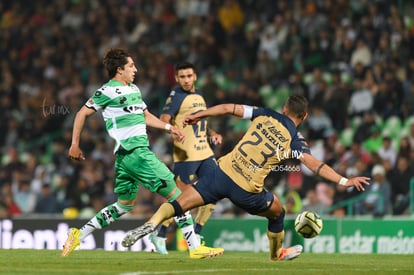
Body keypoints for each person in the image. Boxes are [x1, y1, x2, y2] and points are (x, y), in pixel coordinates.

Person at [121, 95, 370, 261]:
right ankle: (276, 254)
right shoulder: (295, 140)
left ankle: (152, 223)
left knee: (179, 203)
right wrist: (344, 181)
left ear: (284, 108)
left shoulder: (265, 113)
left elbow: (230, 108)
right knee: (278, 212)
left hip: (221, 173)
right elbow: (313, 164)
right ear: (303, 117)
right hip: (246, 190)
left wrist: (201, 115)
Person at [61, 48, 224, 259]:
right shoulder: (107, 91)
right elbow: (82, 113)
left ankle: (78, 235)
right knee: (179, 196)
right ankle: (194, 247)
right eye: (131, 66)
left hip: (125, 158)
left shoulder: (134, 89)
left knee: (123, 205)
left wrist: (169, 128)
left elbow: (146, 116)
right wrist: (74, 144)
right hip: (136, 153)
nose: (135, 69)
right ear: (119, 70)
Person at [149, 62, 223, 254]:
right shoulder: (176, 96)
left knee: (216, 191)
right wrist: (171, 129)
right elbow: (164, 118)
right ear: (176, 78)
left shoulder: (198, 95)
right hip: (186, 155)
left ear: (195, 76)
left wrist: (212, 132)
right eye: (182, 77)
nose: (186, 80)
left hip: (205, 153)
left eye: (189, 76)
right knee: (181, 199)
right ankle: (159, 235)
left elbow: (201, 122)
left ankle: (197, 234)